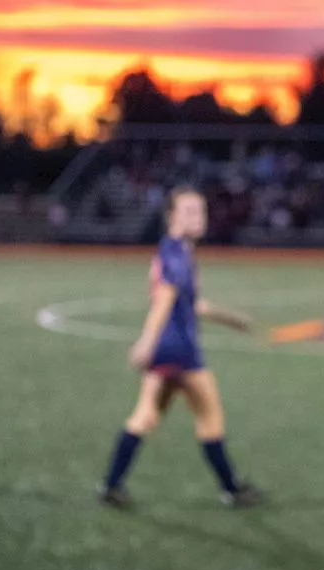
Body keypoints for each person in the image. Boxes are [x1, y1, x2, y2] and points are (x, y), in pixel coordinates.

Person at [99, 186, 263, 508]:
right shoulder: (176, 254)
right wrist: (146, 341)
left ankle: (111, 484)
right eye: (189, 212)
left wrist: (232, 319)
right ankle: (232, 490)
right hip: (181, 350)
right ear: (171, 216)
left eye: (200, 211)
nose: (198, 218)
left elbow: (193, 304)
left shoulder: (175, 251)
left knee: (145, 417)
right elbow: (164, 300)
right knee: (210, 418)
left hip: (166, 349)